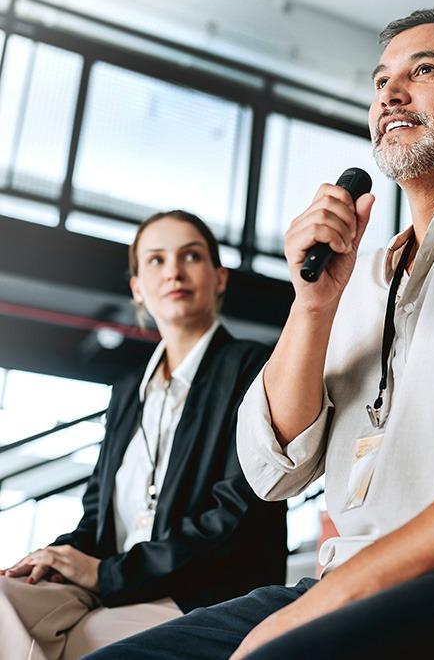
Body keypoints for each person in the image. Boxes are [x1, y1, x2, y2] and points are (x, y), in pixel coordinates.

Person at [88, 9, 434, 660]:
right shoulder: (359, 283)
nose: (390, 92)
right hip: (352, 582)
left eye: (425, 70)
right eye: (381, 81)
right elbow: (273, 469)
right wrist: (313, 304)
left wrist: (335, 597)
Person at [0, 210, 287, 660]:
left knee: (86, 641)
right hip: (109, 578)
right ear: (137, 287)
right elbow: (97, 515)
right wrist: (57, 557)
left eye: (190, 256)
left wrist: (107, 574)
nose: (173, 270)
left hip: (196, 590)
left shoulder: (254, 368)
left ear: (219, 278)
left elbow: (235, 516)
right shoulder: (127, 391)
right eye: (155, 260)